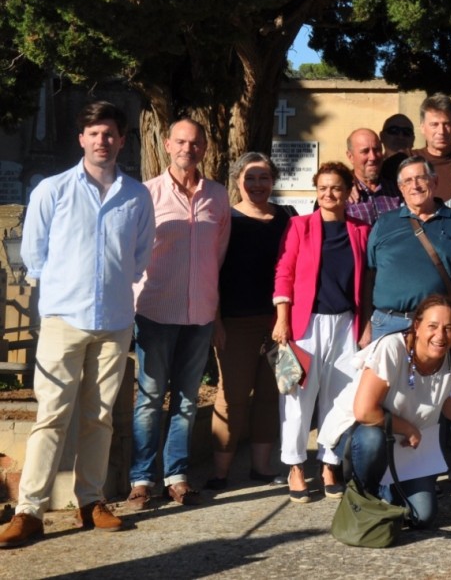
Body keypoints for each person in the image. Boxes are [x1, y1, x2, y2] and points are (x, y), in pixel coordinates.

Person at [0, 101, 154, 548]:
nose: (102, 141)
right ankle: (29, 509)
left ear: (122, 141)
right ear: (81, 139)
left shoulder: (136, 195)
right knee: (52, 415)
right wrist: (65, 292)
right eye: (94, 133)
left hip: (114, 320)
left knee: (100, 416)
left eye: (110, 134)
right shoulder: (53, 189)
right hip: (64, 319)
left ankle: (91, 500)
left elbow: (140, 256)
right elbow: (34, 255)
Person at [128, 118, 231, 510]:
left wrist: (216, 316)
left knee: (187, 401)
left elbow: (216, 260)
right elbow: (131, 255)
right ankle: (141, 478)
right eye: (181, 141)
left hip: (200, 314)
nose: (188, 148)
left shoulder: (218, 196)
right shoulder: (146, 194)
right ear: (168, 145)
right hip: (154, 311)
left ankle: (177, 476)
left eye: (196, 143)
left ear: (205, 148)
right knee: (150, 398)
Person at [318, 296, 451, 528]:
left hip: (405, 450)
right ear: (416, 326)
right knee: (372, 438)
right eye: (433, 326)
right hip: (358, 433)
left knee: (423, 516)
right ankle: (363, 496)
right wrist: (408, 429)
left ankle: (386, 493)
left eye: (449, 328)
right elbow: (364, 412)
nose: (440, 335)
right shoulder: (392, 347)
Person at [273, 162, 370, 503]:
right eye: (323, 188)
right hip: (306, 324)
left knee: (339, 397)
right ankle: (296, 466)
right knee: (298, 398)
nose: (329, 194)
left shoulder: (361, 229)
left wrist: (367, 323)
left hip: (346, 323)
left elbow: (367, 282)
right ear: (317, 191)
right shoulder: (300, 227)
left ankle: (329, 463)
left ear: (347, 192)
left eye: (336, 188)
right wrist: (282, 318)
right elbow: (284, 271)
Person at [208, 153, 296, 489]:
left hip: (278, 323)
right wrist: (215, 322)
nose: (257, 185)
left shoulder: (287, 217)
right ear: (237, 181)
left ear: (273, 180)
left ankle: (261, 469)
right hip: (235, 322)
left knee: (270, 396)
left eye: (264, 178)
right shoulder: (225, 218)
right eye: (250, 177)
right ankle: (220, 473)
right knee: (231, 395)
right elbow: (211, 274)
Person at [363, 156, 451, 341]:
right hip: (387, 325)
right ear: (401, 188)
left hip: (439, 328)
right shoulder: (384, 223)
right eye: (408, 181)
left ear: (434, 181)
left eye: (421, 178)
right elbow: (368, 277)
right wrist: (366, 326)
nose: (415, 185)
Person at [411, 93, 451, 201]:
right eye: (434, 125)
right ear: (422, 127)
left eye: (447, 124)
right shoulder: (409, 160)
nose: (441, 131)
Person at [344, 127, 402, 225]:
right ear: (350, 157)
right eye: (365, 151)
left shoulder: (397, 189)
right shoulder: (342, 194)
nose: (373, 157)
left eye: (377, 150)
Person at [378, 113, 415, 188]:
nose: (400, 137)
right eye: (394, 131)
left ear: (413, 140)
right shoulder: (373, 168)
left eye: (406, 132)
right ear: (382, 136)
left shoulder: (424, 168)